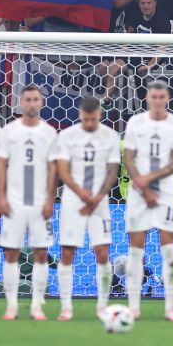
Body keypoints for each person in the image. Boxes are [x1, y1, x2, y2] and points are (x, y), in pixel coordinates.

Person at [123, 81, 173, 322]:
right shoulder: (135, 122)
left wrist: (147, 180)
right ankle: (133, 307)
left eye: (162, 97)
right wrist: (142, 184)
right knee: (135, 250)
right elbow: (128, 158)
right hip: (139, 193)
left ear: (168, 98)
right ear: (148, 98)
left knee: (169, 250)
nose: (158, 101)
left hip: (167, 192)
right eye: (154, 97)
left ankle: (171, 308)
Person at [52, 97, 120, 320]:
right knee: (68, 252)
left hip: (99, 200)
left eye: (94, 118)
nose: (90, 122)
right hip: (73, 199)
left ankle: (102, 306)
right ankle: (66, 307)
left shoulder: (110, 136)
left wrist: (97, 196)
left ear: (99, 114)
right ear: (80, 114)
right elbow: (62, 170)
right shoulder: (67, 136)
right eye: (86, 118)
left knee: (102, 252)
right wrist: (82, 194)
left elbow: (112, 171)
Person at [0, 84, 58, 321]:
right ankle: (11, 305)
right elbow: (0, 165)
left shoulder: (49, 132)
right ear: (21, 102)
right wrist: (1, 196)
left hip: (40, 200)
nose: (32, 103)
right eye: (28, 99)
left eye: (36, 99)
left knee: (41, 253)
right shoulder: (9, 131)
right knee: (11, 253)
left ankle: (37, 305)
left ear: (41, 103)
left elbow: (54, 168)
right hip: (15, 200)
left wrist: (51, 198)